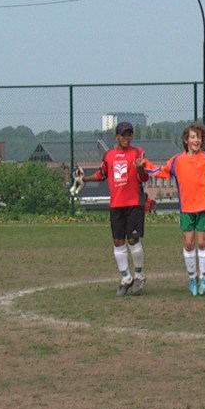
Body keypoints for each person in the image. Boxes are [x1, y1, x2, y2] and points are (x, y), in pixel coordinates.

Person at [77, 121, 153, 296]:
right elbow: (102, 174)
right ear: (116, 137)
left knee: (132, 240)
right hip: (116, 204)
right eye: (123, 134)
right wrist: (85, 179)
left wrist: (140, 169)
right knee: (118, 241)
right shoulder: (109, 155)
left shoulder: (137, 153)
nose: (126, 138)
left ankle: (139, 275)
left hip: (134, 203)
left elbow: (144, 178)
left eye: (129, 134)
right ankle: (126, 278)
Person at [147, 122, 205, 297]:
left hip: (204, 206)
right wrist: (145, 165)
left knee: (202, 243)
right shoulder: (177, 160)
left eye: (199, 137)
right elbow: (161, 171)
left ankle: (204, 277)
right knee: (188, 243)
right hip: (186, 208)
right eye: (193, 137)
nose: (196, 140)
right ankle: (192, 277)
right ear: (186, 140)